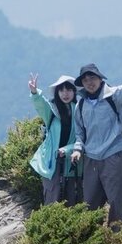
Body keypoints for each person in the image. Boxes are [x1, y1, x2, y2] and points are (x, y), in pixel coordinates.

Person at [70, 54, 122, 225]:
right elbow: (80, 132)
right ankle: (90, 236)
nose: (89, 82)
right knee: (90, 202)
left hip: (113, 154)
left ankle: (117, 236)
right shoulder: (80, 105)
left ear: (100, 78)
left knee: (116, 200)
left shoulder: (113, 97)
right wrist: (78, 149)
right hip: (91, 158)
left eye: (92, 78)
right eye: (85, 80)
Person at [27, 73, 82, 205]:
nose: (65, 94)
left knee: (71, 197)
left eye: (68, 90)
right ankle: (50, 218)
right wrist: (35, 93)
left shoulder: (80, 111)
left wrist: (67, 150)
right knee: (52, 195)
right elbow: (41, 105)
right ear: (57, 93)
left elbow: (82, 137)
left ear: (74, 92)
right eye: (61, 90)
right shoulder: (52, 110)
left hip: (72, 159)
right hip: (51, 160)